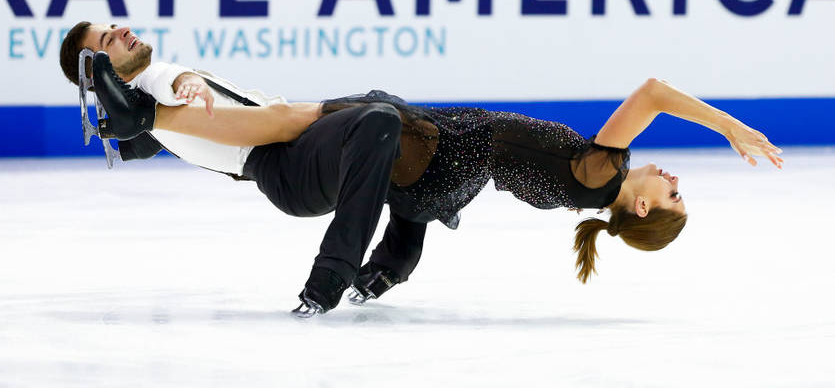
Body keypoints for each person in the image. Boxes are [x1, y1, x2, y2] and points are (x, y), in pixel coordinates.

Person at [59, 22, 783, 315]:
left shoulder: (600, 170)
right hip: (445, 169)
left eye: (674, 195)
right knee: (385, 123)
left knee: (380, 112)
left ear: (642, 207)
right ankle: (393, 258)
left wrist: (728, 126)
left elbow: (652, 91)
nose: (674, 180)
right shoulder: (593, 174)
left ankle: (355, 268)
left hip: (444, 164)